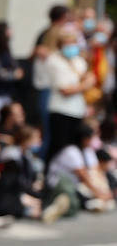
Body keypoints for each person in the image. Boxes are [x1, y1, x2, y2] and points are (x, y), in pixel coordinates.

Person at [42, 24, 94, 173]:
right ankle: (49, 176)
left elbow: (88, 77)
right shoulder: (54, 60)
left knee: (73, 147)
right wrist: (84, 85)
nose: (71, 47)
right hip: (60, 110)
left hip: (77, 111)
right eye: (68, 43)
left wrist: (85, 82)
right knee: (58, 145)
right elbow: (65, 89)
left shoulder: (79, 61)